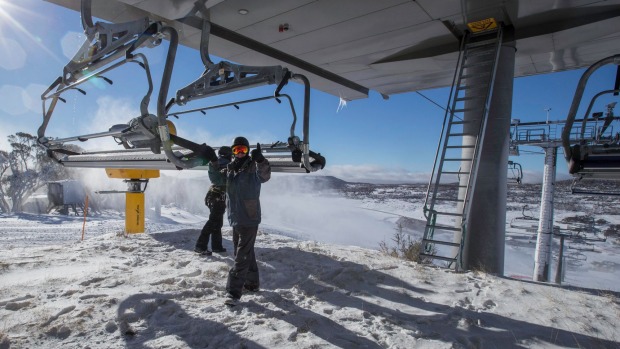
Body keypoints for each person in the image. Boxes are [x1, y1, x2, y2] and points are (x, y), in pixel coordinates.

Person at [224, 136, 271, 307]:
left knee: (241, 256)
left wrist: (260, 160)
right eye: (236, 150)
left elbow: (264, 176)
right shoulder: (230, 168)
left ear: (248, 151)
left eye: (243, 150)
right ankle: (252, 284)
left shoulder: (252, 166)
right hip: (236, 217)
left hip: (249, 217)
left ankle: (233, 292)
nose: (240, 153)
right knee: (245, 252)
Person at [194, 146, 232, 255]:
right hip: (217, 197)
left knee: (217, 222)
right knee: (213, 222)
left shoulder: (217, 163)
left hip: (214, 196)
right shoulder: (224, 164)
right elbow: (219, 179)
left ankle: (217, 246)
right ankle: (200, 246)